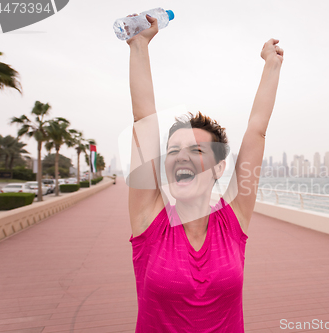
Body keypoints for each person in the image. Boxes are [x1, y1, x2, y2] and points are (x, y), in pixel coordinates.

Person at [126, 13, 283, 332]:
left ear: (219, 166)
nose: (181, 159)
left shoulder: (234, 218)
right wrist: (139, 44)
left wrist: (272, 65)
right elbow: (144, 120)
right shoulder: (149, 220)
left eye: (196, 151)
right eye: (173, 152)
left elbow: (256, 132)